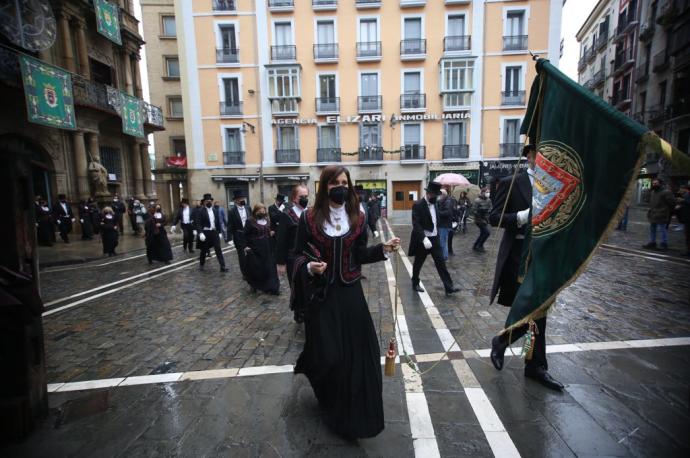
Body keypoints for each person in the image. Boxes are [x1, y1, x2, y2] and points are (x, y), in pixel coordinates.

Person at [291, 165, 400, 439]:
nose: (340, 186)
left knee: (357, 356)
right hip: (323, 296)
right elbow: (295, 255)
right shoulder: (310, 218)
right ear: (324, 186)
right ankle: (327, 394)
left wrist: (383, 250)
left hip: (351, 293)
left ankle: (351, 416)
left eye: (344, 182)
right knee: (329, 355)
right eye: (334, 182)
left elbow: (359, 254)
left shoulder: (358, 217)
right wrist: (308, 267)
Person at [488, 144, 563, 391]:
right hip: (518, 256)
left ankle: (530, 362)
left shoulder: (554, 185)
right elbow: (494, 217)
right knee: (531, 310)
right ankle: (526, 359)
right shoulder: (512, 181)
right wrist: (522, 216)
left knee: (539, 313)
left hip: (544, 255)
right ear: (529, 156)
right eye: (538, 154)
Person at [408, 181, 460, 296]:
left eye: (438, 195)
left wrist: (451, 222)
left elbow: (436, 219)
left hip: (434, 238)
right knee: (418, 263)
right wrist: (423, 238)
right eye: (435, 195)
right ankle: (415, 282)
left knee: (441, 263)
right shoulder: (418, 205)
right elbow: (416, 224)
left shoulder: (435, 204)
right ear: (429, 193)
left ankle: (449, 287)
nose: (436, 197)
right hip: (423, 240)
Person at [276, 184, 309, 295]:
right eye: (301, 197)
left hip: (309, 257)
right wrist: (280, 263)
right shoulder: (287, 215)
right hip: (293, 259)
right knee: (297, 290)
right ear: (294, 198)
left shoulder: (310, 213)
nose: (304, 199)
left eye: (306, 196)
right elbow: (281, 240)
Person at [243, 203, 280, 295]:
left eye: (263, 210)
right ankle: (254, 285)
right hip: (255, 248)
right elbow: (245, 235)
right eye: (260, 210)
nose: (262, 211)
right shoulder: (250, 221)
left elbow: (268, 231)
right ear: (255, 211)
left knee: (269, 267)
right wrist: (245, 246)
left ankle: (272, 287)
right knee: (257, 268)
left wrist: (270, 233)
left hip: (267, 247)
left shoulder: (267, 220)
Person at [196, 193, 228, 272]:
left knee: (218, 249)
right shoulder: (200, 211)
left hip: (214, 232)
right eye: (207, 201)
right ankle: (201, 264)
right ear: (204, 202)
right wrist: (200, 233)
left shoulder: (215, 210)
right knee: (204, 250)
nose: (209, 202)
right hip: (205, 232)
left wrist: (220, 232)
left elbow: (218, 222)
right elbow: (198, 223)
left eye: (210, 201)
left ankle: (222, 266)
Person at [643, 178, 676, 251]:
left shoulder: (666, 192)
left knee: (662, 229)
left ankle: (664, 244)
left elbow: (672, 203)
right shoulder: (653, 192)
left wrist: (667, 211)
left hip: (662, 214)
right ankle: (653, 242)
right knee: (653, 229)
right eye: (653, 183)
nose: (654, 184)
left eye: (656, 183)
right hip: (653, 214)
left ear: (660, 184)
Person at [227, 189, 249, 277]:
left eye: (243, 198)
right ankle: (245, 274)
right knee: (242, 256)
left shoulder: (248, 208)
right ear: (236, 200)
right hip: (238, 236)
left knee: (250, 254)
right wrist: (229, 238)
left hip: (248, 235)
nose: (242, 200)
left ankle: (251, 269)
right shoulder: (232, 211)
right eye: (240, 198)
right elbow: (230, 225)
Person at [472, 187, 492, 253]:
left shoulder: (489, 200)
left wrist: (487, 212)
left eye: (488, 192)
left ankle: (475, 245)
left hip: (485, 219)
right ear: (482, 192)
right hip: (479, 220)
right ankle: (480, 245)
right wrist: (479, 212)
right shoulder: (477, 200)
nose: (488, 193)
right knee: (487, 233)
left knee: (483, 233)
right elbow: (473, 210)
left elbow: (491, 208)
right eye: (486, 192)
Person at [437, 189, 454, 260]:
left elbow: (447, 213)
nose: (438, 196)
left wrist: (438, 212)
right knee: (443, 241)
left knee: (442, 242)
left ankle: (444, 257)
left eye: (439, 195)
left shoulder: (448, 202)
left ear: (443, 195)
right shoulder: (444, 201)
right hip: (443, 224)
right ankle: (444, 255)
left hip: (444, 225)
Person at [676, 184, 690, 257]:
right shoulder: (685, 195)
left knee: (688, 235)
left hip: (688, 218)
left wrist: (682, 201)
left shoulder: (687, 195)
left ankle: (688, 251)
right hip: (686, 218)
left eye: (681, 189)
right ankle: (688, 250)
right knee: (687, 235)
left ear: (685, 189)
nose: (680, 190)